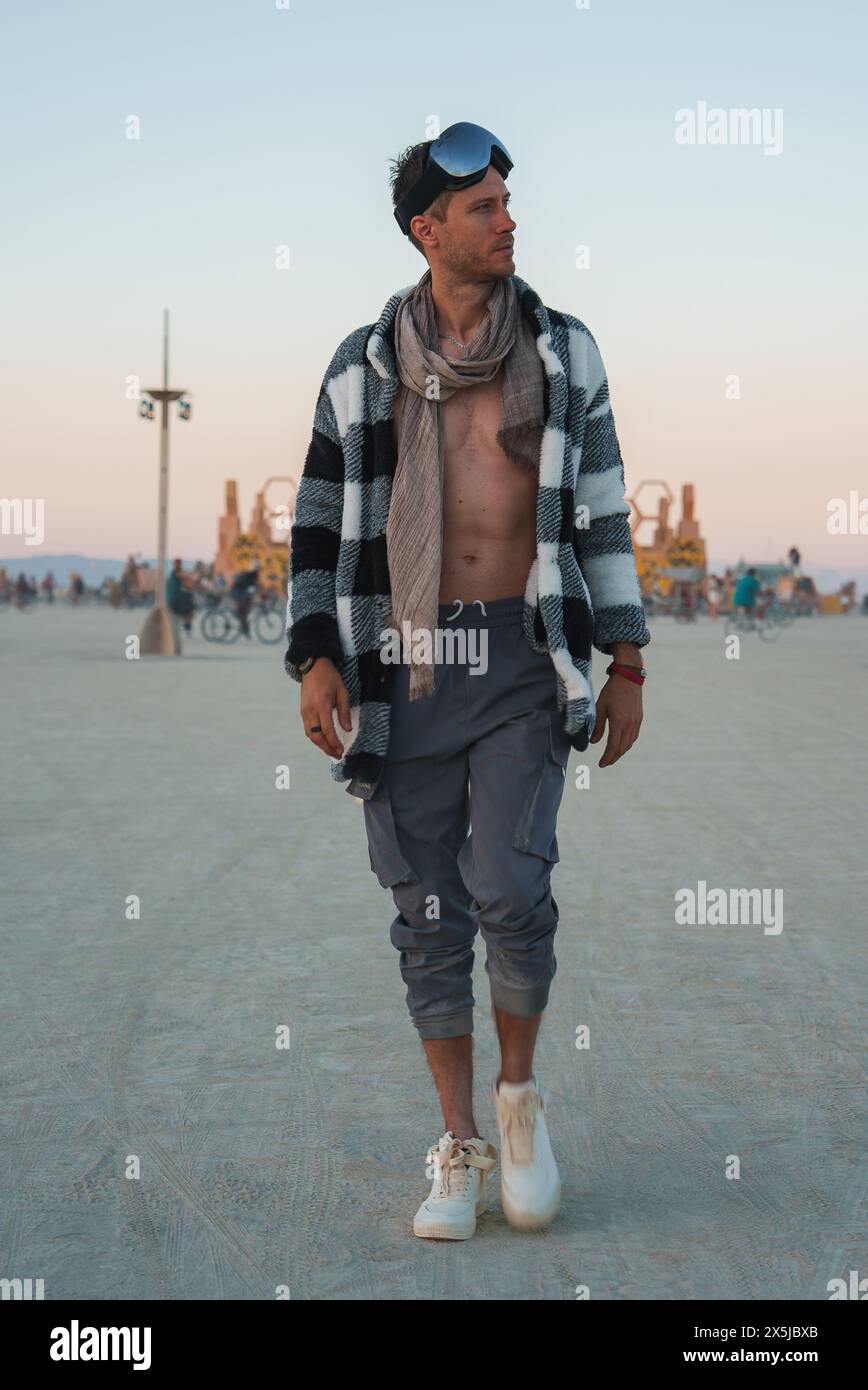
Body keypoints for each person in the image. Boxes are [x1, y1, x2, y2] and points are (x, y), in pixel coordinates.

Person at [284, 122, 649, 1241]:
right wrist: (313, 655)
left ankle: (520, 1103)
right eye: (483, 206)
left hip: (520, 653)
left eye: (505, 200)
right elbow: (312, 519)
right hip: (400, 665)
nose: (507, 219)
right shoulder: (361, 364)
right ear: (425, 229)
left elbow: (601, 506)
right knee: (426, 908)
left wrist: (625, 656)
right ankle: (457, 1141)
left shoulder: (563, 351)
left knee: (509, 886)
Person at [229, 561, 259, 637]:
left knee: (246, 611)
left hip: (242, 592)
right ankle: (244, 628)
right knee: (244, 611)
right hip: (237, 592)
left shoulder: (254, 575)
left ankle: (245, 629)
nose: (257, 569)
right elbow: (248, 588)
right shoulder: (248, 575)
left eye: (257, 568)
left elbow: (254, 588)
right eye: (256, 567)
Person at [166, 558, 195, 634]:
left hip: (177, 596)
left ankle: (186, 623)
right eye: (176, 563)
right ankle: (187, 624)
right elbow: (184, 578)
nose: (177, 565)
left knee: (189, 608)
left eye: (178, 563)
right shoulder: (176, 572)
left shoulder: (177, 571)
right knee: (189, 608)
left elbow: (185, 580)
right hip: (175, 597)